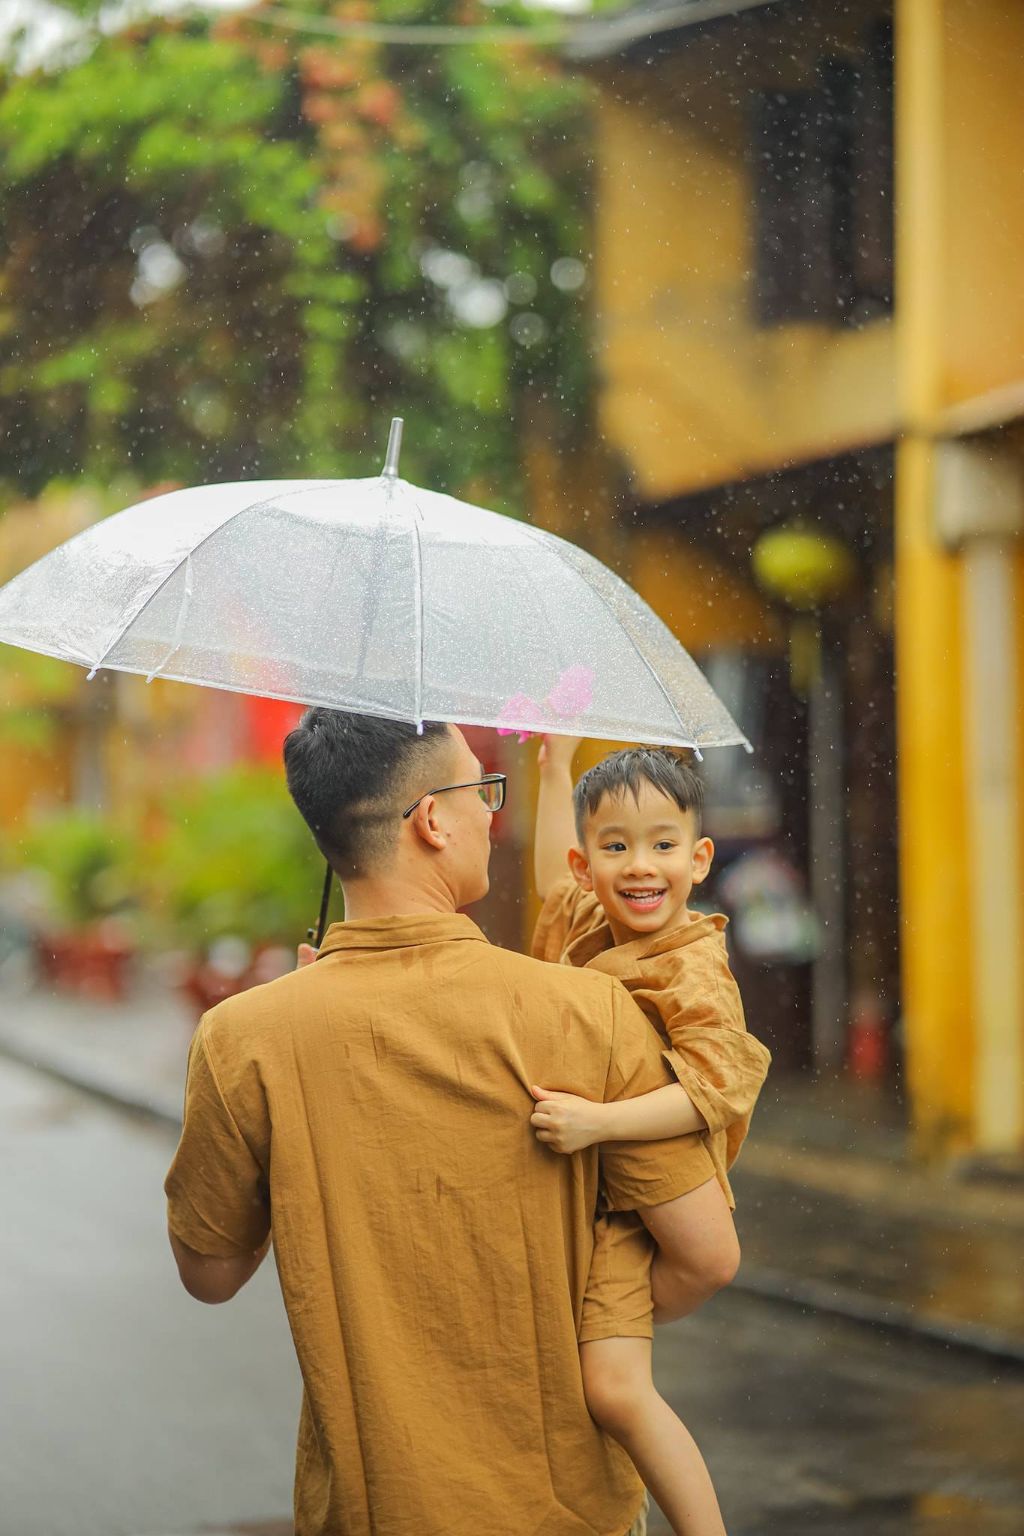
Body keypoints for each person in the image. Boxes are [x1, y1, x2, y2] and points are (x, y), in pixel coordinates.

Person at [164, 709, 736, 1536]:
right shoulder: (589, 1010)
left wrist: (285, 1103)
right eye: (482, 790)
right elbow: (708, 1254)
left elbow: (210, 1274)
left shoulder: (242, 1037)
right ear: (433, 818)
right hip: (564, 1512)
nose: (491, 814)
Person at [529, 736, 772, 1536]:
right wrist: (552, 771)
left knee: (615, 1386)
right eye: (616, 847)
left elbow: (706, 1091)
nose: (641, 866)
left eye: (664, 845)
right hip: (604, 1196)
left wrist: (597, 1122)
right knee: (601, 1383)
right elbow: (542, 885)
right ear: (584, 864)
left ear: (699, 858)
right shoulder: (590, 919)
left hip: (645, 1206)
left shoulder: (692, 966)